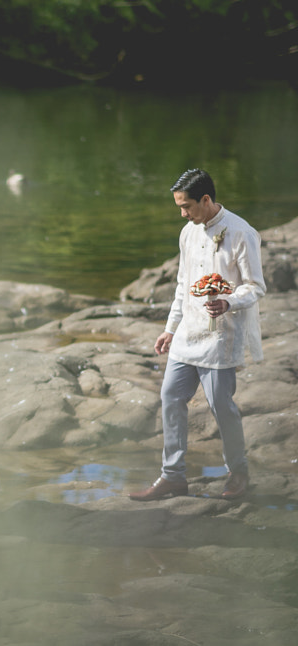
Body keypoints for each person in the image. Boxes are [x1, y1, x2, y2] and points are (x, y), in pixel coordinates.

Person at [129, 169, 265, 502]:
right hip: (188, 333)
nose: (182, 213)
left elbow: (256, 287)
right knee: (170, 397)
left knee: (221, 406)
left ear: (206, 200)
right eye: (179, 206)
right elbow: (181, 285)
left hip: (221, 334)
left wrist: (229, 301)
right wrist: (169, 329)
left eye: (187, 206)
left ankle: (238, 471)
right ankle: (173, 476)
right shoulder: (187, 233)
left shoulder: (241, 232)